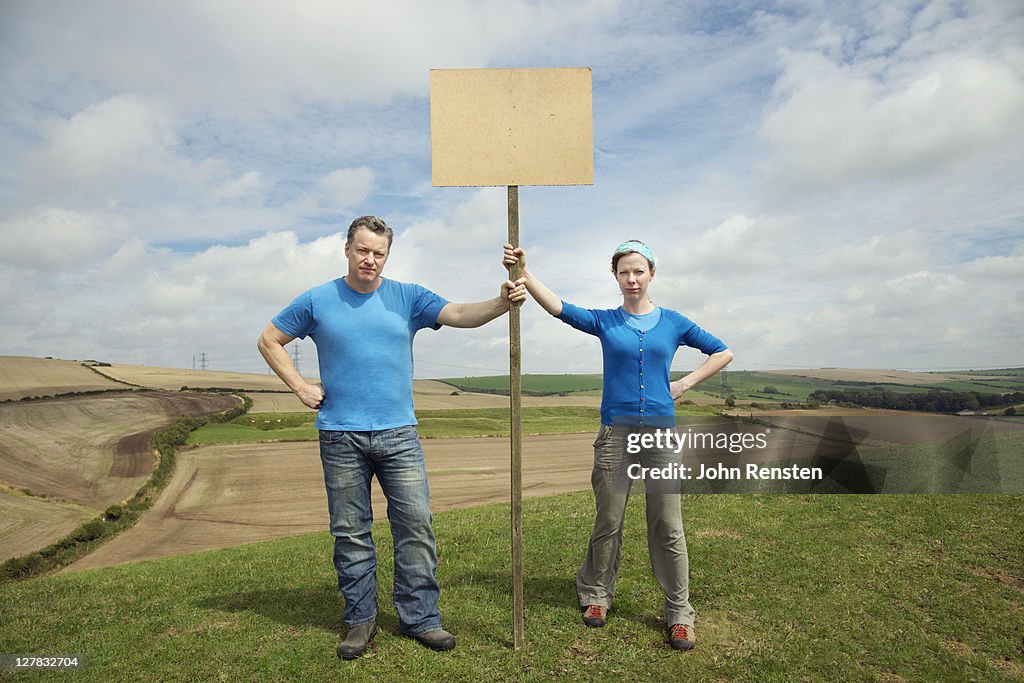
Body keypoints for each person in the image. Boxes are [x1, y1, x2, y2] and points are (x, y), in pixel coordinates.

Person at [258, 215, 525, 660]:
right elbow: (269, 339)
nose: (370, 259)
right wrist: (300, 386)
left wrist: (500, 301)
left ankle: (420, 618)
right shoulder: (317, 300)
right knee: (350, 533)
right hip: (340, 436)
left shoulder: (408, 296)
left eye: (379, 253)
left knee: (415, 526)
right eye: (363, 250)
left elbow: (459, 314)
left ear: (387, 255)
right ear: (347, 249)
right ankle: (360, 621)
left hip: (399, 434)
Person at [503, 239, 732, 651]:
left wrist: (683, 383)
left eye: (639, 271)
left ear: (651, 274)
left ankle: (679, 612)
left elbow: (722, 352)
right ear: (615, 276)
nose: (632, 278)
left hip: (662, 437)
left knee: (667, 525)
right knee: (608, 520)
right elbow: (559, 308)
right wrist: (524, 272)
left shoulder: (674, 322)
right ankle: (596, 595)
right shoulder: (606, 322)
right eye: (624, 271)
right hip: (615, 437)